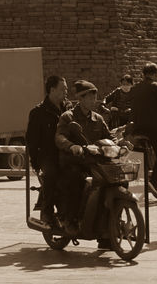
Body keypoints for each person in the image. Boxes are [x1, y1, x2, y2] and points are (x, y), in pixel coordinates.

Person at [55, 80, 110, 235]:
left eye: (95, 97)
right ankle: (70, 219)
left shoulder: (98, 119)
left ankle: (106, 228)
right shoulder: (68, 117)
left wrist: (122, 142)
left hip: (94, 162)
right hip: (74, 162)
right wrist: (72, 146)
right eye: (90, 98)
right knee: (76, 180)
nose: (94, 101)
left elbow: (108, 136)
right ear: (81, 99)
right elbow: (59, 137)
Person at [26, 74, 68, 230]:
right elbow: (32, 140)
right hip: (48, 156)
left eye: (67, 89)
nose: (66, 92)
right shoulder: (38, 113)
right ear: (52, 90)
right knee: (51, 174)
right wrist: (36, 163)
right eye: (63, 89)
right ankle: (47, 213)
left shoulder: (68, 109)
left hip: (66, 154)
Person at [127, 62, 157, 191]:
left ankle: (135, 184)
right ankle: (153, 182)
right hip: (154, 128)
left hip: (137, 128)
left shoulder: (135, 88)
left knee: (137, 155)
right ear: (155, 74)